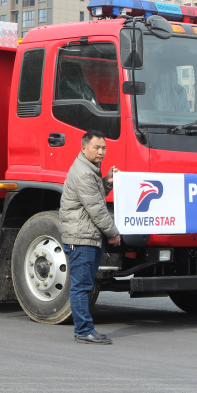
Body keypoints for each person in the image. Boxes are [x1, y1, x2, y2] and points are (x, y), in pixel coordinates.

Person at [60, 130, 121, 344]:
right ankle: (83, 330)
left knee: (84, 285)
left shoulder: (89, 169)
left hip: (86, 237)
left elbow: (94, 198)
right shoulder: (84, 173)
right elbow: (96, 208)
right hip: (81, 239)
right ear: (83, 148)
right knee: (81, 286)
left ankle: (85, 329)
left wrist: (107, 181)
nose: (101, 152)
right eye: (97, 147)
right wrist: (112, 233)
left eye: (104, 147)